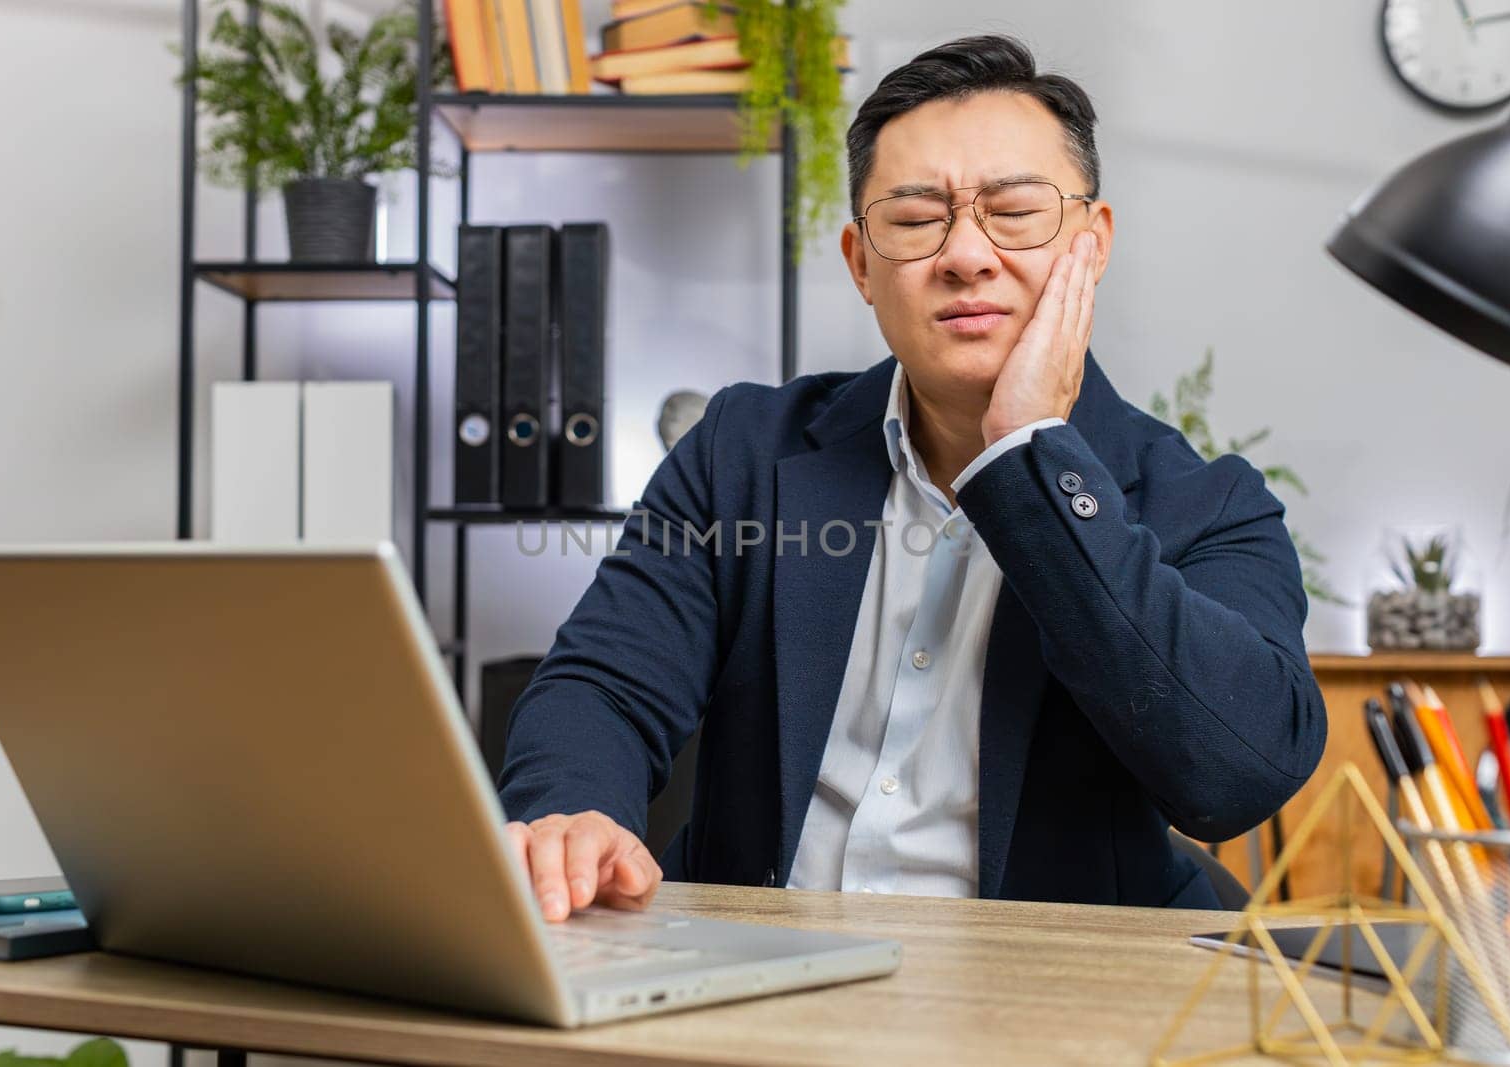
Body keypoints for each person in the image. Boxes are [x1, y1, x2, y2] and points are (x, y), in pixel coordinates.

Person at [497, 33, 1326, 921]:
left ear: (1093, 242)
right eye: (915, 217)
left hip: (1044, 1017)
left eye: (1014, 210)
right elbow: (607, 685)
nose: (965, 255)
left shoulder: (1209, 503)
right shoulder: (738, 449)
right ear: (860, 262)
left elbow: (1234, 777)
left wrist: (1030, 456)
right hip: (750, 981)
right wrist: (571, 816)